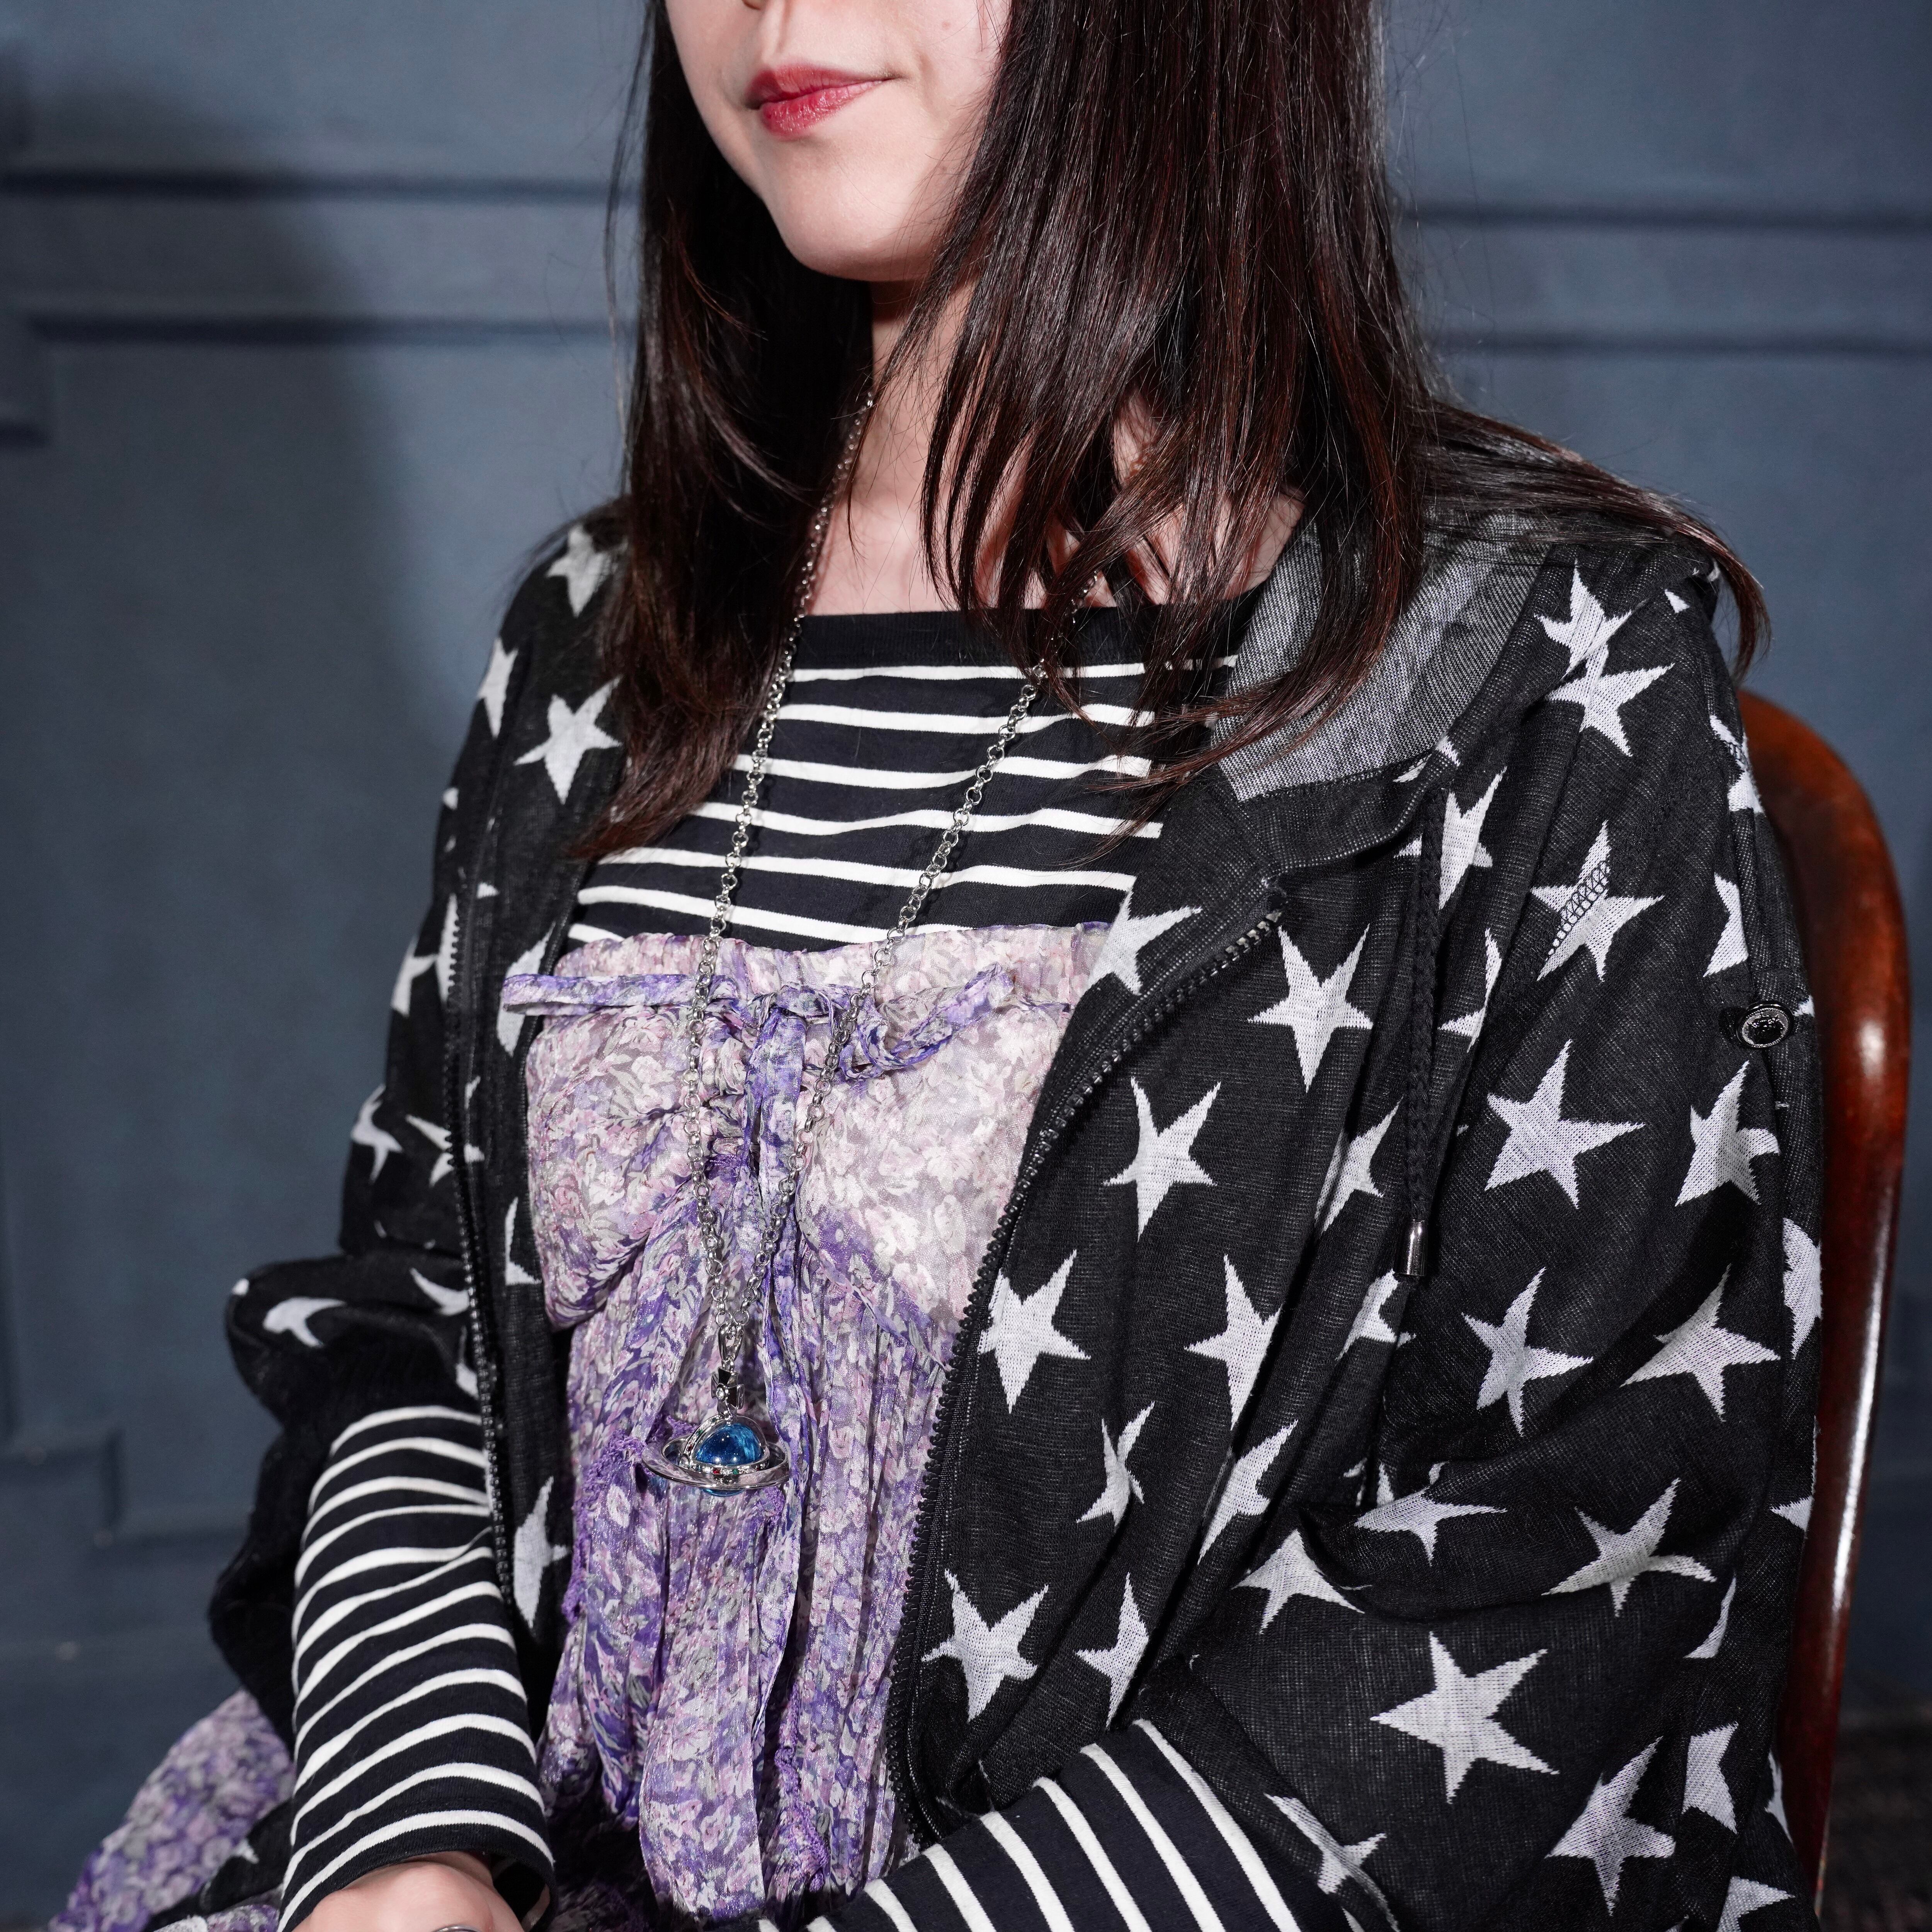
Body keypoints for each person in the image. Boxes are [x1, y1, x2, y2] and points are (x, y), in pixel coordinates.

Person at [55, 0, 1822, 1928]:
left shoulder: (1532, 667)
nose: (779, 9)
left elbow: (1574, 1534)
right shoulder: (595, 631)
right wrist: (407, 1848)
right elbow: (412, 1319)